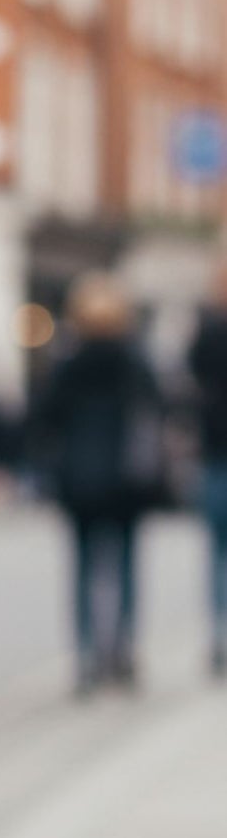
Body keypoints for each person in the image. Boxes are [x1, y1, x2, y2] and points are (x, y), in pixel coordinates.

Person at [32, 272, 164, 694]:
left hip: (81, 477)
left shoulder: (68, 361)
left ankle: (87, 653)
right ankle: (120, 648)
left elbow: (45, 417)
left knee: (85, 568)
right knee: (124, 567)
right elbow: (159, 406)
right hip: (126, 478)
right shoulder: (134, 358)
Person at [186, 264, 227, 674]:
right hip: (217, 457)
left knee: (217, 554)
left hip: (216, 455)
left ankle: (218, 633)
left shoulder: (208, 330)